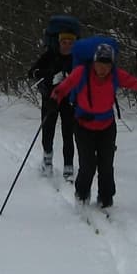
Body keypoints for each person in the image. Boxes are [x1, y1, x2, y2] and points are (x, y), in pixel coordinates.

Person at [51, 41, 137, 209]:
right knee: (88, 165)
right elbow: (64, 87)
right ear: (93, 62)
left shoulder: (115, 75)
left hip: (107, 128)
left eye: (107, 65)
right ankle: (82, 196)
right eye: (99, 64)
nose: (103, 69)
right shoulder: (81, 73)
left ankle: (106, 199)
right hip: (84, 127)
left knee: (106, 166)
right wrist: (56, 96)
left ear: (111, 65)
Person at [28, 20, 78, 178]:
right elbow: (32, 73)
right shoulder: (50, 55)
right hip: (50, 98)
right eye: (64, 42)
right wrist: (49, 75)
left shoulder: (77, 58)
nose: (67, 45)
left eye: (71, 42)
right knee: (48, 130)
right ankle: (47, 160)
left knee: (68, 133)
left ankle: (68, 167)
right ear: (59, 42)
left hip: (69, 100)